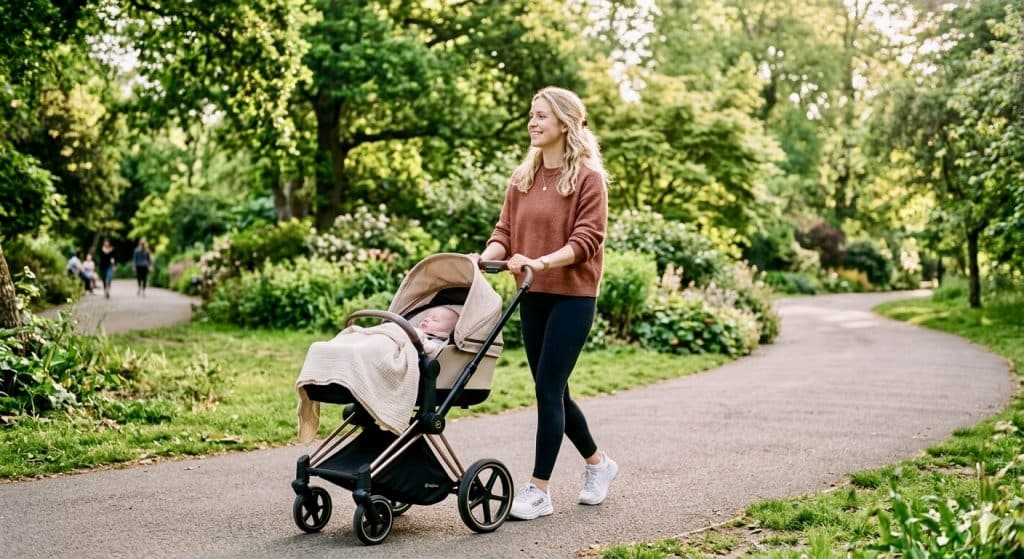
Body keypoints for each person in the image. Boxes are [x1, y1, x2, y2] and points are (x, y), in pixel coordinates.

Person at [472, 86, 617, 520]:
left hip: (573, 296)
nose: (533, 123)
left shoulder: (589, 179)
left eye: (542, 117)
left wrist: (540, 261)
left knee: (548, 388)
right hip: (531, 293)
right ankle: (599, 464)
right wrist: (485, 258)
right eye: (531, 115)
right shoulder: (523, 177)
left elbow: (587, 241)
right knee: (553, 389)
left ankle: (539, 491)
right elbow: (504, 232)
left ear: (565, 125)